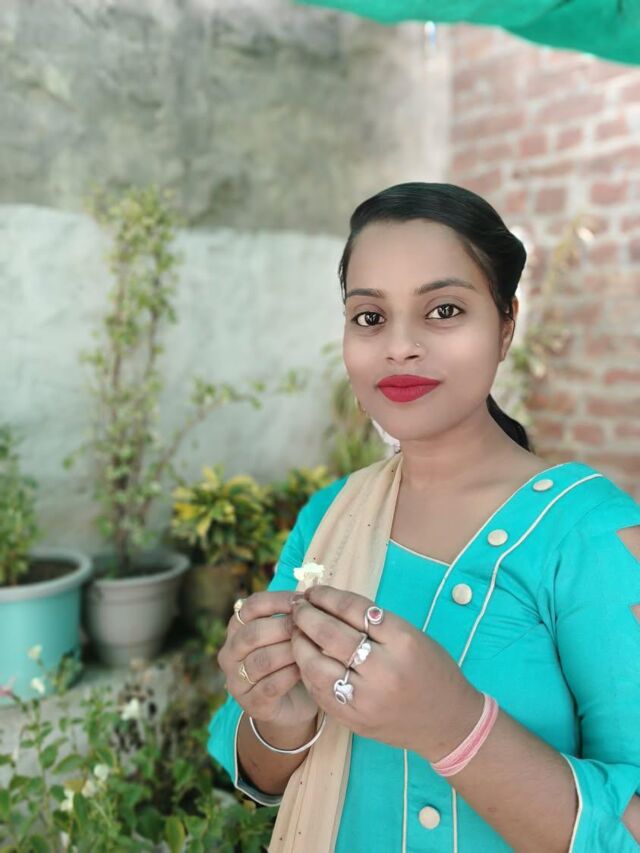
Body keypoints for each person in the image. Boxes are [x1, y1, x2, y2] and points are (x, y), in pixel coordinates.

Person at [208, 183, 640, 852]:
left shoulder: (590, 534)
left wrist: (454, 726)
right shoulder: (332, 517)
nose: (400, 346)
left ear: (506, 325)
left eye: (443, 310)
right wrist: (278, 718)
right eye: (370, 316)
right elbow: (261, 772)